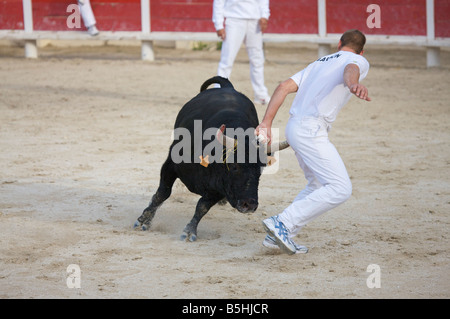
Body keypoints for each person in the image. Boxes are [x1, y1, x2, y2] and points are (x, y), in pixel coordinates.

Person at [256, 29, 371, 255]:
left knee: (317, 184)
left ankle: (278, 235)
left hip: (294, 126)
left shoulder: (318, 63)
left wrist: (266, 123)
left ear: (338, 43)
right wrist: (352, 84)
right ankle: (282, 222)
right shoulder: (358, 59)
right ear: (362, 50)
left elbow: (282, 87)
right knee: (341, 188)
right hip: (311, 128)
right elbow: (351, 70)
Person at [212, 0, 271, 105]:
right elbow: (219, 2)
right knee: (227, 60)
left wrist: (264, 15)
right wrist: (219, 24)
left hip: (255, 20)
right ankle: (219, 93)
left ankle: (260, 94)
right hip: (234, 19)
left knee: (257, 60)